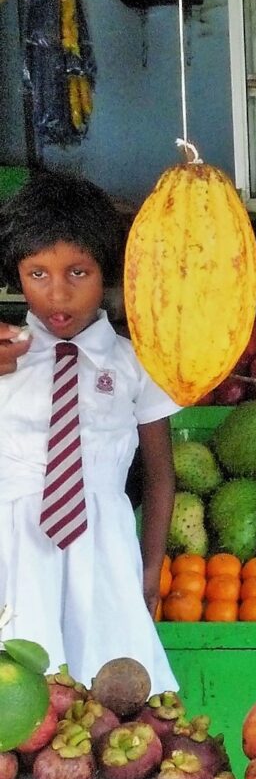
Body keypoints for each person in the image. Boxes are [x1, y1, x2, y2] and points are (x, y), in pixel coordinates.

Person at [0, 171, 180, 692]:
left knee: (111, 699)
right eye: (37, 274)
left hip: (104, 549)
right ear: (17, 274)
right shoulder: (7, 358)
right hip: (15, 550)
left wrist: (150, 569)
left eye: (77, 271)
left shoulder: (133, 364)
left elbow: (161, 474)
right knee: (20, 701)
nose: (58, 294)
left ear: (108, 271)